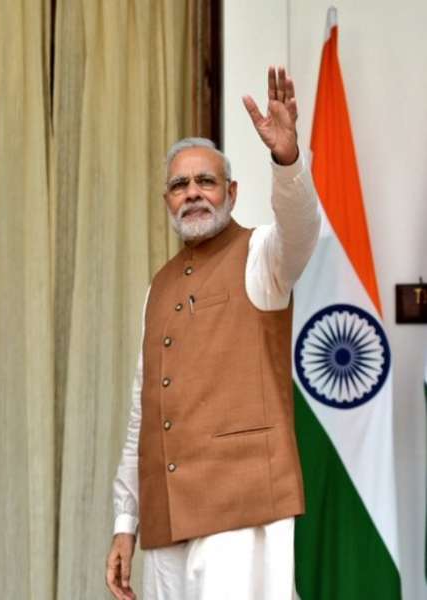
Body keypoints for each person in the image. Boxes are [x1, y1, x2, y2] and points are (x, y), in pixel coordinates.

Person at [105, 66, 321, 600]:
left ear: (231, 192)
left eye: (206, 181)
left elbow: (301, 229)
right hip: (167, 520)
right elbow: (141, 412)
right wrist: (125, 521)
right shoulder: (157, 287)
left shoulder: (262, 254)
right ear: (167, 201)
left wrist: (288, 160)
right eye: (180, 185)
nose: (193, 193)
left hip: (242, 515)